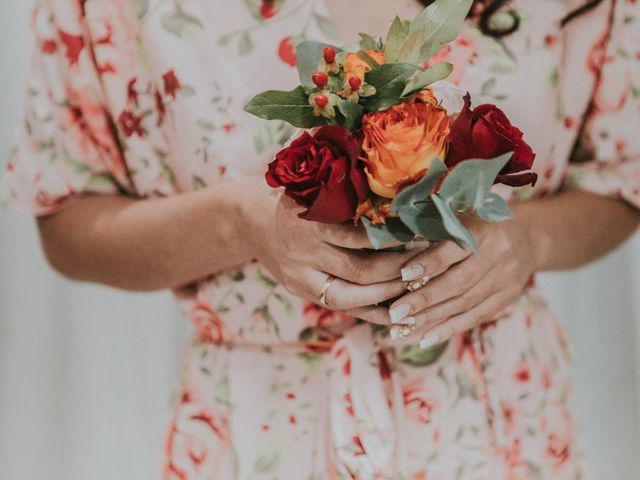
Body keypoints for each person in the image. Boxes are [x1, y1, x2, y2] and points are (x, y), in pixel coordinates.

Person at [2, 0, 639, 478]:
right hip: (255, 426)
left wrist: (529, 240)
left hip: (504, 420)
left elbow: (620, 179)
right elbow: (66, 221)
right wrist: (239, 220)